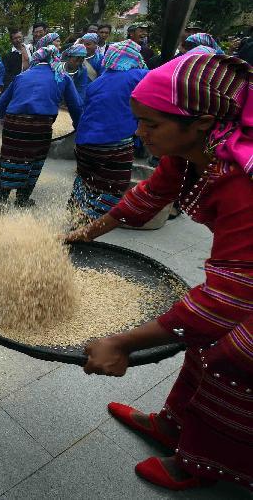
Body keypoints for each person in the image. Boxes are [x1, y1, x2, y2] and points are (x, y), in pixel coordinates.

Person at [65, 53, 251, 491]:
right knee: (202, 340)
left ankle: (203, 464)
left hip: (245, 285)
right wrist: (90, 232)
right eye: (138, 121)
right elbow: (151, 194)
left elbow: (227, 298)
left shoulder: (240, 181)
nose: (139, 134)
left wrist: (121, 342)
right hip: (242, 278)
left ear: (202, 121)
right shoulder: (189, 151)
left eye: (151, 125)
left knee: (233, 357)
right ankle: (172, 426)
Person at [70, 39, 149, 221]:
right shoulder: (139, 75)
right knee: (113, 187)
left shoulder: (98, 82)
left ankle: (74, 213)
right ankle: (89, 222)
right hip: (114, 143)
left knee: (86, 180)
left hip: (84, 144)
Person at [0, 45, 82, 206]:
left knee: (10, 159)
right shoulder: (62, 77)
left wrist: (2, 119)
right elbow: (76, 107)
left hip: (13, 124)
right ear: (56, 59)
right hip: (40, 127)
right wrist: (78, 127)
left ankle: (1, 199)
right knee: (33, 161)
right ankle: (22, 199)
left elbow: (1, 103)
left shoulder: (22, 76)